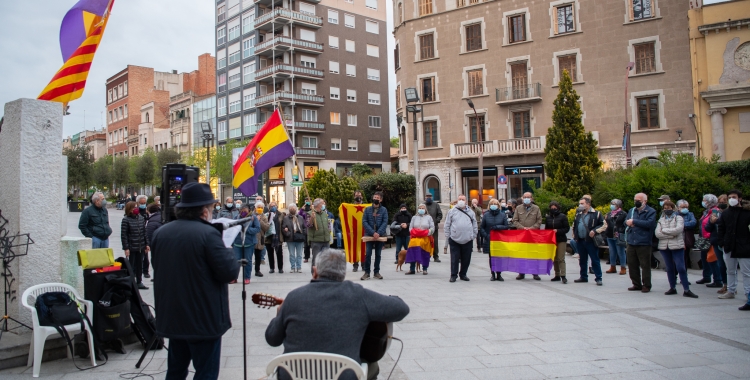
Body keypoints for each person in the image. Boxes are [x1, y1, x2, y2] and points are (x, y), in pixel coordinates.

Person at [265, 249, 410, 380]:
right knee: (372, 366)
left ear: (315, 271)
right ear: (343, 275)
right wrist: (392, 298)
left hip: (292, 376)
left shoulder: (293, 297)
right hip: (343, 376)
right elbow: (402, 309)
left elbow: (272, 339)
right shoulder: (358, 295)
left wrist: (279, 314)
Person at [151, 182, 239, 380]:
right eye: (211, 208)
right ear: (203, 211)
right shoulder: (209, 235)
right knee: (206, 373)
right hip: (203, 320)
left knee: (175, 371)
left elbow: (158, 267)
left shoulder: (161, 233)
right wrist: (227, 249)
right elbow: (229, 272)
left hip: (173, 317)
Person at [655, 200, 698, 298]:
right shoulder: (661, 220)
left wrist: (665, 231)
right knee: (669, 268)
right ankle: (672, 287)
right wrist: (670, 235)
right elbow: (657, 233)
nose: (667, 210)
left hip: (677, 246)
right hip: (664, 246)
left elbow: (678, 230)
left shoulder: (678, 218)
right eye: (665, 208)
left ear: (673, 208)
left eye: (669, 208)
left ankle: (686, 289)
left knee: (681, 267)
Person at [716, 190, 750, 310]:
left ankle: (748, 293)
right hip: (729, 245)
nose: (731, 199)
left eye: (734, 197)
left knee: (746, 272)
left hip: (744, 246)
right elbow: (721, 229)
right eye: (729, 197)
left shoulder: (747, 212)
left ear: (740, 198)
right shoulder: (726, 213)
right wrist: (722, 243)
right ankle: (731, 290)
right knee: (730, 270)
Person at [625, 193, 657, 293]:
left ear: (645, 201)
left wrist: (634, 221)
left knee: (645, 265)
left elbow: (649, 224)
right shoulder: (632, 210)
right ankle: (636, 284)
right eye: (635, 200)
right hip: (631, 241)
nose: (636, 202)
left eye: (639, 200)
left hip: (644, 242)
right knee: (632, 264)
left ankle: (646, 285)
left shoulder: (651, 211)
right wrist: (628, 222)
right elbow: (626, 221)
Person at [572, 198, 605, 286]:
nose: (580, 205)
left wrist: (595, 231)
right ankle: (583, 276)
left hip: (590, 241)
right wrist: (575, 235)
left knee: (595, 259)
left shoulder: (596, 214)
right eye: (579, 203)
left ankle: (598, 278)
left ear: (588, 204)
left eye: (582, 203)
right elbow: (575, 225)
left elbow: (603, 224)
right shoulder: (578, 214)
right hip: (580, 240)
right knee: (582, 260)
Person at [445, 194, 478, 283]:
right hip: (454, 239)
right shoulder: (452, 211)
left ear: (466, 201)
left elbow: (475, 224)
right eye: (459, 199)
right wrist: (448, 236)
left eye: (463, 199)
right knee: (454, 258)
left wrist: (473, 235)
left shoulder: (471, 212)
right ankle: (453, 275)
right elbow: (447, 224)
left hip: (467, 239)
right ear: (457, 200)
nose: (461, 201)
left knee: (466, 258)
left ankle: (463, 274)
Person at [512, 192, 543, 280]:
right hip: (521, 235)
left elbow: (539, 220)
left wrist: (532, 228)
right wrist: (522, 228)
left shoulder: (536, 208)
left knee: (533, 254)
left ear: (531, 198)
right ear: (522, 198)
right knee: (521, 254)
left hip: (533, 235)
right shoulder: (518, 208)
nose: (526, 198)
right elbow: (515, 220)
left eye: (528, 197)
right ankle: (521, 273)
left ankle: (535, 273)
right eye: (525, 197)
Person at [121, 201, 149, 290]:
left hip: (140, 246)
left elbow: (144, 232)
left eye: (137, 207)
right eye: (134, 207)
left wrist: (147, 243)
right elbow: (124, 235)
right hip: (132, 246)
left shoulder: (140, 218)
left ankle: (139, 281)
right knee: (131, 265)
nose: (136, 209)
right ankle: (131, 282)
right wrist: (126, 248)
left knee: (139, 264)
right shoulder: (126, 219)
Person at [697, 194, 723, 289]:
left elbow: (714, 225)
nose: (704, 202)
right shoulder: (706, 212)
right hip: (704, 238)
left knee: (712, 259)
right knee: (704, 259)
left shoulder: (715, 211)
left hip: (710, 238)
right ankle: (706, 276)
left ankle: (718, 280)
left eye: (705, 200)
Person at [481, 198, 509, 281]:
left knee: (499, 257)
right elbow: (482, 227)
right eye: (492, 204)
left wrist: (497, 227)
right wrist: (486, 236)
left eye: (495, 204)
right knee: (491, 257)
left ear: (498, 205)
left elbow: (506, 226)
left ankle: (499, 274)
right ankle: (492, 274)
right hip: (490, 239)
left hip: (499, 240)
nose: (493, 205)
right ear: (489, 205)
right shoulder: (486, 215)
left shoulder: (502, 215)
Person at [362, 192, 388, 280]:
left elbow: (385, 222)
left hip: (379, 236)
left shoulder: (384, 210)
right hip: (369, 235)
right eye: (374, 197)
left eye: (377, 198)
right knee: (368, 253)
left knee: (378, 254)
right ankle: (366, 272)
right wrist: (373, 232)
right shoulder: (367, 209)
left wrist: (378, 233)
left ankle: (376, 272)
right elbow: (364, 221)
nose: (376, 199)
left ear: (381, 199)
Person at [233, 205, 261, 284]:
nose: (243, 211)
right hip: (238, 243)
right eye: (242, 210)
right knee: (236, 261)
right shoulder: (236, 217)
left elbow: (257, 228)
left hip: (249, 243)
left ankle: (247, 277)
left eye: (245, 210)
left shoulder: (253, 218)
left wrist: (246, 229)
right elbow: (232, 228)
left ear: (249, 210)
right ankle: (234, 277)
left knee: (248, 261)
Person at [406, 203, 435, 275]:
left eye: (423, 208)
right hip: (415, 238)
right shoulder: (414, 217)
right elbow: (410, 227)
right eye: (420, 208)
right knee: (412, 252)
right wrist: (414, 232)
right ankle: (412, 269)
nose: (421, 209)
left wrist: (427, 232)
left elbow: (432, 228)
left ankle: (425, 269)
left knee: (424, 253)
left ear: (425, 209)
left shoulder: (429, 217)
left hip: (425, 238)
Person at [546, 201, 570, 283]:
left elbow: (567, 228)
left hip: (561, 239)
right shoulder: (548, 217)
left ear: (558, 208)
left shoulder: (563, 217)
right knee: (555, 258)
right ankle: (557, 275)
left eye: (555, 207)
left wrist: (558, 231)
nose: (553, 209)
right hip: (552, 241)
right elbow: (546, 229)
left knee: (561, 258)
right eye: (552, 208)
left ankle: (563, 275)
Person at [306, 198, 331, 274]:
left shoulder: (324, 213)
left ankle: (324, 274)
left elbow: (328, 224)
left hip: (325, 239)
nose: (324, 205)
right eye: (323, 203)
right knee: (316, 258)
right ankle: (314, 274)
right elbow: (308, 225)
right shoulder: (310, 213)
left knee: (326, 258)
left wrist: (328, 230)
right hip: (316, 240)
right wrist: (311, 219)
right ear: (318, 205)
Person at [605, 199, 628, 275]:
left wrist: (621, 231)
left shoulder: (623, 214)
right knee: (612, 252)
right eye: (611, 203)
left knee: (620, 251)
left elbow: (625, 224)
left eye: (614, 204)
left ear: (618, 205)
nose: (612, 205)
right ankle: (613, 267)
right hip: (609, 234)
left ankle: (623, 267)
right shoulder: (608, 214)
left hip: (619, 235)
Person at [282, 204, 307, 273]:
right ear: (289, 209)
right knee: (292, 254)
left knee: (299, 254)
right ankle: (292, 267)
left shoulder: (300, 217)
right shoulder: (286, 218)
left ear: (296, 209)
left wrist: (303, 234)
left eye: (294, 208)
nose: (292, 209)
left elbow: (305, 227)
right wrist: (288, 233)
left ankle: (299, 267)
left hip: (300, 238)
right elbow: (283, 228)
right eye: (291, 208)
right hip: (290, 239)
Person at [265, 201, 285, 274]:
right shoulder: (267, 215)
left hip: (278, 237)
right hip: (269, 237)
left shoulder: (281, 215)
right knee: (270, 254)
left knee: (279, 254)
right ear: (269, 207)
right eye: (271, 206)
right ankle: (272, 268)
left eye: (274, 205)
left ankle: (280, 268)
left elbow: (283, 224)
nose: (273, 207)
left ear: (277, 206)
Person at [677, 199, 697, 269]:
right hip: (677, 239)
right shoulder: (675, 214)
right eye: (683, 207)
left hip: (686, 239)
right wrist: (685, 225)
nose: (685, 209)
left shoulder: (690, 214)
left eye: (686, 207)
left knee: (685, 256)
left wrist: (681, 225)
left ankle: (684, 275)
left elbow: (693, 223)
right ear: (678, 208)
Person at [144, 203, 162, 282]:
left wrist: (148, 245)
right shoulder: (162, 217)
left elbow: (149, 234)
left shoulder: (151, 221)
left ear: (148, 211)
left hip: (157, 244)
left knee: (155, 260)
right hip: (163, 243)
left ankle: (158, 277)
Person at [135, 195, 151, 278]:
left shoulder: (147, 211)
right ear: (138, 203)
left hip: (145, 234)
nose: (143, 204)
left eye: (144, 203)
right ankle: (136, 271)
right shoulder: (136, 211)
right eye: (141, 203)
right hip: (137, 235)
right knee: (137, 256)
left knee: (146, 255)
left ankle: (146, 271)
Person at [424, 193, 443, 262]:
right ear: (425, 197)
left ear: (432, 197)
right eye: (427, 196)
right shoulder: (423, 205)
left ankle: (436, 256)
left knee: (435, 242)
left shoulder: (436, 205)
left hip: (434, 227)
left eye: (430, 196)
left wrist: (436, 221)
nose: (428, 198)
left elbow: (440, 214)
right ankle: (427, 255)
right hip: (425, 228)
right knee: (426, 242)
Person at [253, 202, 269, 277]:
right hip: (251, 238)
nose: (259, 209)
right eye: (258, 207)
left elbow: (266, 227)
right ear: (255, 208)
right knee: (249, 256)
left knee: (258, 256)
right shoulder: (251, 215)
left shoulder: (264, 217)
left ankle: (257, 270)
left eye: (261, 208)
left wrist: (260, 221)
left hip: (260, 239)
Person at [351, 191, 365, 271]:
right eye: (356, 195)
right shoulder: (351, 207)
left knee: (363, 249)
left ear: (362, 197)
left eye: (359, 195)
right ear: (354, 197)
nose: (358, 197)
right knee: (355, 249)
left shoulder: (366, 206)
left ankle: (363, 265)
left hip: (363, 230)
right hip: (354, 231)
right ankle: (355, 266)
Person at [301, 197, 313, 263]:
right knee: (306, 245)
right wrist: (301, 209)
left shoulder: (313, 208)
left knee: (313, 244)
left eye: (309, 200)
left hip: (312, 229)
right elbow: (299, 216)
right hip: (306, 229)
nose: (308, 202)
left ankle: (314, 256)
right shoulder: (303, 209)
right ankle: (306, 257)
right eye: (306, 200)